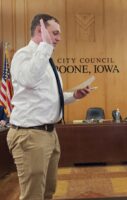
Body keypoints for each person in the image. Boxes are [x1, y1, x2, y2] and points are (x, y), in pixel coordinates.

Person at [7, 13, 91, 200]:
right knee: (33, 195)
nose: (59, 38)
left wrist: (74, 96)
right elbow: (29, 79)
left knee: (47, 192)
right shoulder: (24, 55)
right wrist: (45, 46)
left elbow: (50, 97)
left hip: (49, 134)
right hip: (30, 135)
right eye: (54, 33)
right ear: (40, 31)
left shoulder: (45, 59)